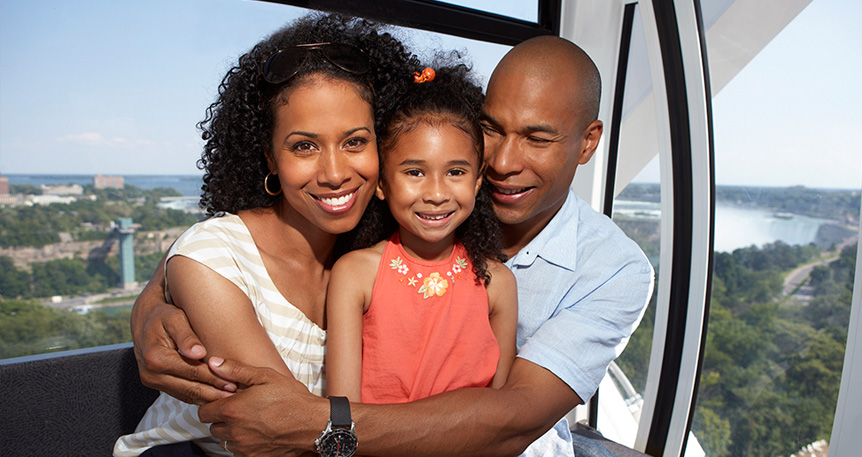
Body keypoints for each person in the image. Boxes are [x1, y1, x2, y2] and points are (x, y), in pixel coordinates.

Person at [132, 35, 654, 457]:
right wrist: (154, 300)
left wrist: (326, 424)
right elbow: (228, 252)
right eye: (491, 130)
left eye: (538, 139)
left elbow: (509, 422)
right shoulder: (400, 215)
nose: (502, 162)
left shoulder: (612, 270)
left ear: (588, 142)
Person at [113, 13, 419, 456]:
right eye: (304, 146)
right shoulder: (216, 259)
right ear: (270, 158)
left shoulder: (386, 251)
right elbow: (284, 431)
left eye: (354, 141)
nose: (335, 173)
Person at [325, 65, 518, 404]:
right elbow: (344, 411)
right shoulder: (355, 274)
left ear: (476, 182)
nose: (437, 193)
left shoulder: (497, 283)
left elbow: (500, 412)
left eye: (456, 172)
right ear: (383, 183)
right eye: (415, 172)